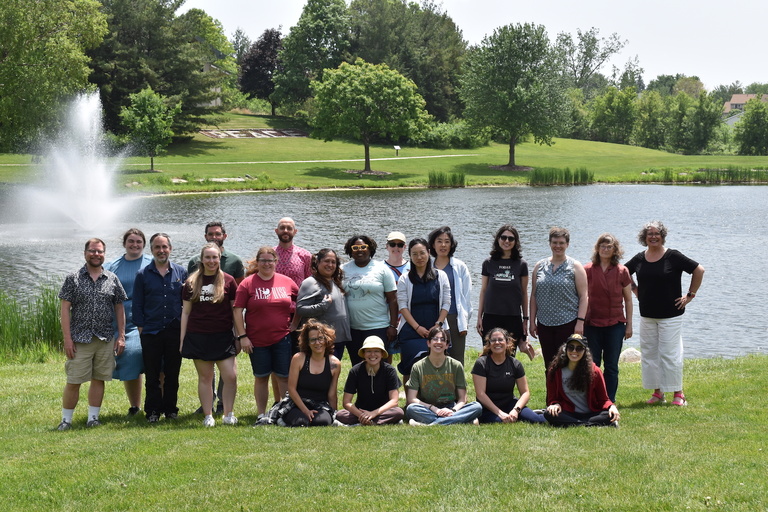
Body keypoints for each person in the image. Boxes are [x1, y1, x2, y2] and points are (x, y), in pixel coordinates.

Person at [625, 221, 704, 406]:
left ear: (662, 236)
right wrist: (635, 289)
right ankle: (658, 392)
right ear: (644, 238)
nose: (653, 236)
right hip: (647, 315)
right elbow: (623, 273)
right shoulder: (639, 258)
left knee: (670, 354)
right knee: (650, 354)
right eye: (649, 234)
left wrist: (690, 295)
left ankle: (679, 393)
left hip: (671, 315)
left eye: (656, 233)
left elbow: (698, 270)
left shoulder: (673, 256)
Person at [57, 238, 127, 430]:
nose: (96, 254)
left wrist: (121, 336)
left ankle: (93, 418)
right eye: (92, 251)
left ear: (104, 254)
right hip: (80, 339)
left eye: (100, 251)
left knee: (99, 378)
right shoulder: (73, 278)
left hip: (105, 338)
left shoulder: (112, 278)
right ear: (85, 253)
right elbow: (64, 310)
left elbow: (119, 308)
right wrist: (67, 339)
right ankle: (66, 421)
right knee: (74, 380)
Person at [234, 246, 298, 421]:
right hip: (256, 340)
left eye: (270, 260)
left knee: (283, 377)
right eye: (263, 260)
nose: (267, 264)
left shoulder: (287, 281)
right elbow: (237, 311)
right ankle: (262, 414)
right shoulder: (247, 283)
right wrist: (243, 336)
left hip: (282, 337)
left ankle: (283, 413)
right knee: (261, 377)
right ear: (258, 262)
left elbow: (300, 301)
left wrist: (295, 323)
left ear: (276, 262)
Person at [187, 221, 244, 415]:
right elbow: (191, 296)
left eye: (217, 234)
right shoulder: (194, 261)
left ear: (224, 236)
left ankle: (223, 405)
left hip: (224, 330)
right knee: (206, 372)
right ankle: (207, 406)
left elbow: (236, 299)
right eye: (210, 234)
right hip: (201, 330)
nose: (214, 237)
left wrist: (238, 334)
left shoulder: (235, 262)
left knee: (228, 372)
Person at [180, 243, 239, 427]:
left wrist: (238, 336)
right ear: (201, 259)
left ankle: (228, 414)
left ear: (219, 258)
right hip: (198, 335)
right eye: (208, 257)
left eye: (214, 257)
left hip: (223, 336)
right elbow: (186, 313)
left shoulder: (229, 281)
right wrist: (182, 339)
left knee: (230, 376)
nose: (211, 261)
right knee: (205, 378)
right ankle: (208, 415)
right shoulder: (191, 282)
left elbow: (235, 311)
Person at [133, 233, 187, 423]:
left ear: (170, 249)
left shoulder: (181, 272)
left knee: (173, 374)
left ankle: (171, 409)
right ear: (152, 250)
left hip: (174, 331)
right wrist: (141, 329)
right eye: (157, 247)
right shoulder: (142, 274)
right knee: (152, 375)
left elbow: (186, 304)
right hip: (151, 331)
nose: (161, 250)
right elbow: (137, 304)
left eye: (164, 247)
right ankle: (153, 411)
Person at [104, 228, 152, 416]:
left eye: (139, 241)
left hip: (150, 319)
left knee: (160, 361)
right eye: (131, 241)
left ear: (144, 244)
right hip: (124, 320)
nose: (135, 245)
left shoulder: (152, 263)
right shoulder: (112, 266)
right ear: (124, 243)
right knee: (130, 355)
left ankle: (161, 403)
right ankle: (135, 406)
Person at [583, 233, 633, 403]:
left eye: (609, 246)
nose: (605, 249)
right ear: (597, 249)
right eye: (602, 246)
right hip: (592, 324)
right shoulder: (587, 269)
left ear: (615, 250)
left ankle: (609, 400)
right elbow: (581, 297)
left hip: (615, 324)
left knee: (611, 366)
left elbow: (628, 299)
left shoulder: (622, 271)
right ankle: (592, 398)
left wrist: (629, 325)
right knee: (593, 365)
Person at [530, 227, 588, 370]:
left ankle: (568, 393)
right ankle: (551, 393)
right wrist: (532, 321)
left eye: (561, 243)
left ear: (567, 244)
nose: (558, 246)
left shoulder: (575, 266)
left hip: (568, 322)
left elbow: (584, 296)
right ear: (550, 243)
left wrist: (580, 322)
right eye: (555, 242)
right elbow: (533, 296)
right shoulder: (539, 266)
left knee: (568, 363)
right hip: (544, 324)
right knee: (549, 365)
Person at [476, 225, 534, 359]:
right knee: (489, 356)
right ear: (498, 239)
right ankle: (487, 380)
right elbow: (483, 290)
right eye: (503, 237)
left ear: (515, 242)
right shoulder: (488, 263)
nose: (507, 241)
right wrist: (479, 316)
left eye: (511, 238)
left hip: (512, 318)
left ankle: (508, 380)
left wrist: (525, 319)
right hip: (490, 316)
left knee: (509, 357)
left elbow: (524, 293)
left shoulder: (521, 264)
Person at [396, 237, 451, 383]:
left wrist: (438, 325)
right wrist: (417, 327)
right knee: (410, 367)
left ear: (428, 252)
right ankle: (410, 401)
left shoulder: (441, 276)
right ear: (410, 256)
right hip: (411, 330)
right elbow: (402, 306)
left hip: (437, 329)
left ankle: (436, 397)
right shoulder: (405, 278)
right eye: (414, 254)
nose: (419, 257)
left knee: (437, 366)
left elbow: (446, 303)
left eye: (422, 253)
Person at [404, 326, 482, 426]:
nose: (439, 342)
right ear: (428, 343)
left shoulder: (456, 365)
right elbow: (411, 398)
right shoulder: (418, 366)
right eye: (435, 339)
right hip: (428, 408)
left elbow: (463, 398)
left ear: (447, 345)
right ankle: (462, 421)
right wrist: (434, 408)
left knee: (477, 406)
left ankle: (431, 425)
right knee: (411, 409)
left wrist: (453, 410)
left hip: (451, 407)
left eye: (442, 340)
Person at [342, 235, 398, 365]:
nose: (359, 250)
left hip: (378, 327)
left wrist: (393, 326)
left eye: (363, 247)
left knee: (378, 365)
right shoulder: (343, 269)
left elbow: (393, 300)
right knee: (357, 366)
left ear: (370, 249)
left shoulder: (382, 269)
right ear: (350, 250)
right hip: (352, 328)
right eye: (355, 247)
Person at [543, 334, 620, 427]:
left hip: (591, 413)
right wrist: (555, 404)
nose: (574, 351)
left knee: (608, 415)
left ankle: (576, 424)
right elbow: (552, 398)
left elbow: (603, 399)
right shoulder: (555, 371)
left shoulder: (595, 371)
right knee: (549, 413)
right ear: (565, 349)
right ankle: (587, 424)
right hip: (568, 412)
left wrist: (611, 407)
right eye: (571, 348)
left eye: (579, 348)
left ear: (585, 351)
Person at [471, 328, 545, 424]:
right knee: (499, 421)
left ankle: (542, 412)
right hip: (487, 408)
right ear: (489, 344)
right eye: (493, 340)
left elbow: (525, 393)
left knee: (537, 420)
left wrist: (516, 410)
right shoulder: (481, 363)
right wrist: (500, 413)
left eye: (500, 339)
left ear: (507, 342)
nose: (497, 342)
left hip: (510, 404)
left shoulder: (515, 364)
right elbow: (480, 395)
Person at [281, 320, 341, 427]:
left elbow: (332, 394)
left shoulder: (335, 363)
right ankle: (282, 419)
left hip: (320, 405)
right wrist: (305, 410)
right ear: (307, 343)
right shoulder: (298, 358)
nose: (317, 343)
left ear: (326, 339)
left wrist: (334, 414)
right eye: (313, 340)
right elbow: (291, 389)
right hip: (297, 403)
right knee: (301, 422)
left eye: (320, 338)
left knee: (322, 422)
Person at [335, 336, 404, 426]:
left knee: (398, 412)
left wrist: (373, 413)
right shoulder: (355, 370)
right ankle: (375, 422)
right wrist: (361, 415)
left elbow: (394, 401)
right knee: (340, 415)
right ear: (363, 354)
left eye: (376, 351)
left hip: (382, 410)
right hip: (361, 410)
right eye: (368, 351)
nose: (372, 355)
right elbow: (346, 402)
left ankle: (366, 422)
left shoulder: (389, 370)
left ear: (382, 354)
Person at [296, 249, 351, 359]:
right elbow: (301, 309)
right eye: (326, 261)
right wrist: (323, 305)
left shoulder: (334, 281)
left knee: (333, 371)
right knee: (322, 373)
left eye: (333, 262)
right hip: (321, 341)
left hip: (338, 338)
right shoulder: (310, 282)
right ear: (318, 262)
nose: (330, 265)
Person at [428, 226, 472, 366]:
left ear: (451, 244)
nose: (443, 245)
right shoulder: (426, 266)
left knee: (456, 360)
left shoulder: (459, 266)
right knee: (434, 357)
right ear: (433, 244)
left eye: (447, 241)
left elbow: (466, 296)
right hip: (432, 318)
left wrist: (464, 321)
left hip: (454, 318)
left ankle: (458, 388)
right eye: (439, 241)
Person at [383, 231, 409, 359]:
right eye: (392, 244)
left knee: (408, 357)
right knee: (386, 355)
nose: (396, 248)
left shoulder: (412, 267)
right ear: (386, 246)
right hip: (385, 317)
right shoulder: (379, 267)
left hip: (407, 318)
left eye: (400, 245)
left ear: (405, 247)